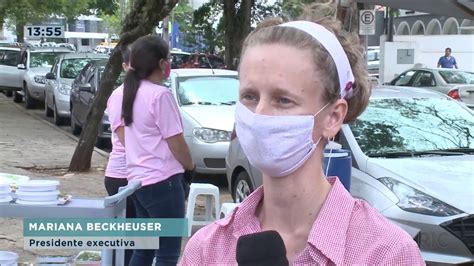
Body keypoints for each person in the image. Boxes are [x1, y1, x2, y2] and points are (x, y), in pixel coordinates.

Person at [180, 3, 424, 265]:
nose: (260, 113)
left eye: (283, 100)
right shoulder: (208, 249)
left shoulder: (387, 253)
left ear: (333, 117)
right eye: (249, 96)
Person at [121, 35, 194, 266]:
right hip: (163, 182)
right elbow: (176, 142)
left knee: (144, 251)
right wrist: (191, 167)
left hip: (138, 182)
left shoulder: (130, 92)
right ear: (162, 63)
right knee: (167, 254)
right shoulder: (160, 95)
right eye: (169, 59)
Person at [104, 45, 135, 266]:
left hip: (142, 175)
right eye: (134, 63)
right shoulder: (118, 96)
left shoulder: (150, 92)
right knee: (123, 241)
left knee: (139, 240)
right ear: (125, 66)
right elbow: (127, 140)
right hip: (122, 175)